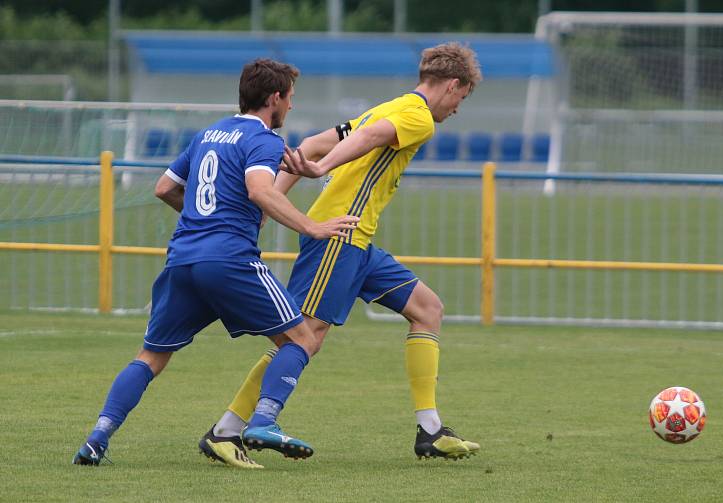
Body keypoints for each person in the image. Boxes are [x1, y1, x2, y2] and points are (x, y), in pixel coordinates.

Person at [202, 42, 483, 465]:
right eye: (463, 97)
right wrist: (321, 169)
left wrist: (271, 200)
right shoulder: (417, 116)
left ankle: (430, 429)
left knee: (427, 309)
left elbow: (312, 142)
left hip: (359, 243)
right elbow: (359, 141)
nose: (459, 107)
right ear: (454, 85)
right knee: (303, 337)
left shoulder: (391, 106)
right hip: (337, 236)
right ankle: (228, 429)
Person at [72, 58, 359, 469]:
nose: (291, 107)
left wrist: (203, 220)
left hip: (183, 259)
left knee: (150, 358)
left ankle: (97, 437)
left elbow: (164, 187)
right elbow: (260, 190)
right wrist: (313, 227)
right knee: (302, 340)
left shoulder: (208, 133)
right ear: (274, 98)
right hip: (229, 260)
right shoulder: (263, 140)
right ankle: (264, 421)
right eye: (290, 99)